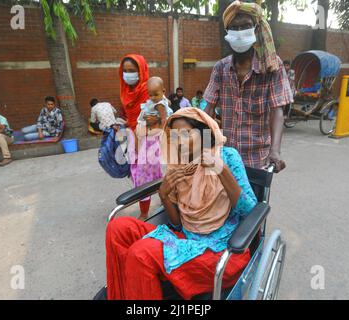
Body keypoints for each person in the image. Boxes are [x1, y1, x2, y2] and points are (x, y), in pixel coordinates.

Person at [105, 107, 258, 300]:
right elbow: (178, 223)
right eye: (175, 137)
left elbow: (251, 211)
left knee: (141, 253)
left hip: (221, 251)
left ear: (204, 133)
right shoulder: (178, 165)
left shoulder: (227, 156)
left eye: (186, 134)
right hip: (186, 240)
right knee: (117, 227)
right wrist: (164, 194)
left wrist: (221, 169)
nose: (180, 143)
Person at [204, 1, 293, 172]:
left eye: (245, 26)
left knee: (255, 199)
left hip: (258, 159)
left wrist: (275, 151)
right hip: (226, 156)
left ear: (256, 29)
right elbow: (207, 111)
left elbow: (277, 110)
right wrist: (205, 147)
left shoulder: (272, 67)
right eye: (234, 28)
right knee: (224, 198)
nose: (239, 33)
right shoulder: (220, 68)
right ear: (227, 32)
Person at [129, 77, 172, 221]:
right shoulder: (159, 100)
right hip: (148, 142)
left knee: (146, 179)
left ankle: (146, 212)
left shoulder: (159, 105)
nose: (152, 98)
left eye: (156, 94)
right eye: (150, 94)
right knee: (157, 177)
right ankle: (158, 206)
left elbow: (165, 122)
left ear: (163, 91)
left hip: (152, 144)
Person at [118, 54, 153, 218]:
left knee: (143, 176)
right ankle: (145, 202)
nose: (127, 74)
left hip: (146, 137)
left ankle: (144, 213)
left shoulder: (148, 89)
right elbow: (132, 115)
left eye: (132, 70)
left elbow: (149, 118)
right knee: (138, 174)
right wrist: (126, 123)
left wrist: (139, 144)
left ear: (141, 71)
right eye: (124, 70)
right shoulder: (126, 89)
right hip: (133, 135)